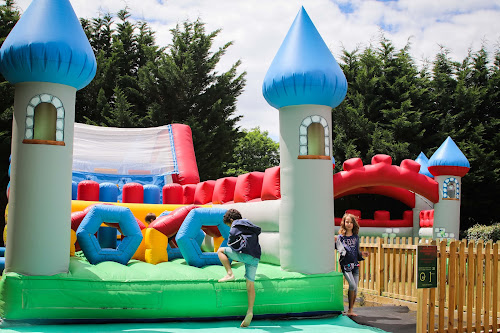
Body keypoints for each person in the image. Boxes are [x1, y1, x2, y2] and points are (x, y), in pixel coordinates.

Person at [217, 209, 261, 327]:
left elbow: (232, 237)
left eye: (228, 225)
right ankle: (250, 311)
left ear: (231, 220)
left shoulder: (236, 224)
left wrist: (234, 248)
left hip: (244, 254)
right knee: (250, 285)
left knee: (220, 251)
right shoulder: (248, 224)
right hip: (255, 257)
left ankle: (230, 273)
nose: (230, 226)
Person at [335, 213, 369, 317]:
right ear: (344, 223)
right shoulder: (340, 237)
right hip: (346, 265)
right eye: (347, 222)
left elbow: (356, 252)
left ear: (353, 224)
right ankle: (348, 309)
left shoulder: (356, 237)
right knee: (352, 285)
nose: (349, 224)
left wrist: (362, 254)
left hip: (355, 265)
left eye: (351, 222)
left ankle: (350, 310)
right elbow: (339, 248)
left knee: (355, 288)